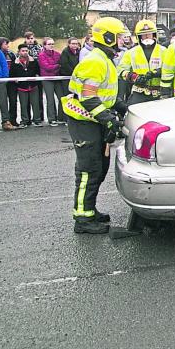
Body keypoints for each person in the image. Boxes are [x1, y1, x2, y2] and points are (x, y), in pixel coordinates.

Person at [61, 17, 129, 234]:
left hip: (93, 121)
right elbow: (88, 98)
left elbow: (103, 95)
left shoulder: (105, 59)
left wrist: (120, 106)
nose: (123, 41)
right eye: (119, 37)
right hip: (84, 122)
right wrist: (108, 118)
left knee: (99, 167)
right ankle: (82, 219)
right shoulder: (95, 61)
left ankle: (89, 210)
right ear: (108, 38)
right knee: (88, 170)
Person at [117, 20, 165, 105]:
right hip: (139, 92)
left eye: (149, 34)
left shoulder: (164, 51)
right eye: (144, 35)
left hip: (159, 93)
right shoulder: (131, 52)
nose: (146, 37)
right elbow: (120, 71)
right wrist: (134, 77)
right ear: (139, 37)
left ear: (154, 35)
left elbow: (169, 68)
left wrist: (158, 72)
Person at [11, 43, 42, 127]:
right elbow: (12, 74)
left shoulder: (33, 61)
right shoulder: (15, 63)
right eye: (23, 51)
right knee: (23, 105)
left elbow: (37, 72)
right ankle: (24, 121)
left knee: (35, 104)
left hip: (33, 86)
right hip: (22, 87)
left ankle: (37, 120)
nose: (25, 52)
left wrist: (36, 76)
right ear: (19, 52)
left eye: (26, 51)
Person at [38, 37, 65, 126]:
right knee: (50, 99)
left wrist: (55, 67)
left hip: (57, 78)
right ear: (44, 45)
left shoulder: (57, 54)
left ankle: (61, 118)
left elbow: (61, 64)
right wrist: (57, 66)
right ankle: (51, 119)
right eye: (49, 44)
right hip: (47, 79)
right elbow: (47, 67)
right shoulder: (41, 55)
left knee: (62, 98)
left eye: (52, 44)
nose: (51, 45)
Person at [0, 38, 19, 129]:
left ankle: (13, 120)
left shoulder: (11, 54)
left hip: (11, 81)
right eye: (5, 44)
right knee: (3, 102)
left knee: (13, 101)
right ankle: (5, 121)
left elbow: (16, 66)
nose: (8, 45)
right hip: (1, 81)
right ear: (0, 45)